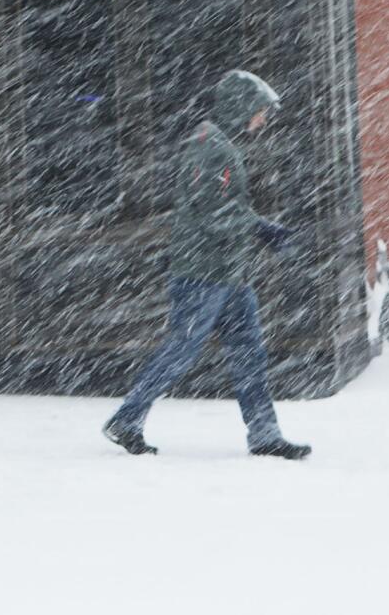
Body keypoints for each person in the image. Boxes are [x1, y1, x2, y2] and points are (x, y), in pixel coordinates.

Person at [103, 69, 311, 460]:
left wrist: (256, 227)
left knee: (249, 353)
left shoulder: (221, 145)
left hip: (228, 273)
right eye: (260, 111)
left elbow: (221, 206)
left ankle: (264, 435)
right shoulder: (210, 147)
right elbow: (210, 209)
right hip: (203, 274)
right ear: (241, 107)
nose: (263, 119)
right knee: (181, 350)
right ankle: (127, 419)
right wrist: (260, 227)